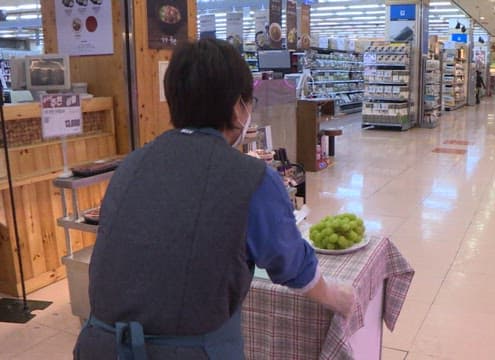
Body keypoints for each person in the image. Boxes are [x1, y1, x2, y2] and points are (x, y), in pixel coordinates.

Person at [73, 39, 354, 360]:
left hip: (99, 346)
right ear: (238, 107)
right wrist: (334, 296)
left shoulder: (133, 164)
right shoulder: (252, 178)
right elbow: (292, 266)